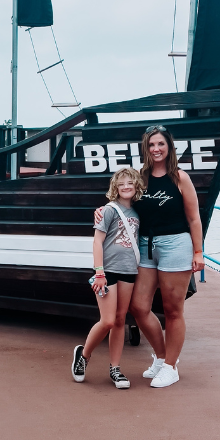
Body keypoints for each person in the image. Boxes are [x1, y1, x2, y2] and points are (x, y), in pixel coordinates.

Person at [95, 125, 204, 389]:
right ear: (146, 148)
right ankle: (162, 357)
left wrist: (198, 251)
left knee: (172, 309)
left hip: (176, 244)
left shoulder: (179, 177)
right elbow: (122, 198)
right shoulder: (140, 177)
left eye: (161, 144)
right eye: (151, 145)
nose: (156, 149)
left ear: (169, 147)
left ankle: (170, 367)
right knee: (140, 307)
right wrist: (102, 210)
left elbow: (193, 217)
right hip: (144, 245)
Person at [72, 167, 143, 389]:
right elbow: (97, 241)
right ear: (115, 187)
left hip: (129, 271)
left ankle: (115, 368)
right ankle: (83, 355)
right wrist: (99, 272)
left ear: (136, 185)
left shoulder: (138, 212)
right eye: (121, 184)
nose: (126, 187)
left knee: (121, 320)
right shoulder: (109, 210)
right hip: (108, 271)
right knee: (108, 320)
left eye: (130, 182)